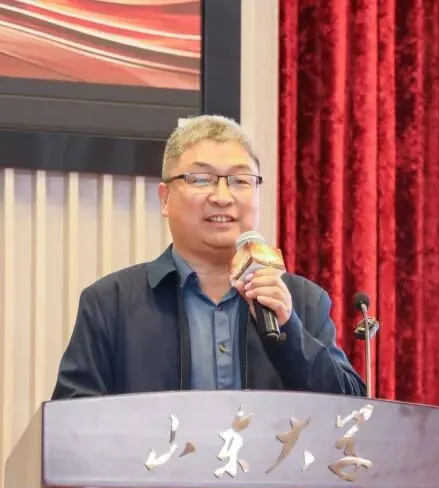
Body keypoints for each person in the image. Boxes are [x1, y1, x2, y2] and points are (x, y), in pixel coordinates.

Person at [50, 115, 365, 399]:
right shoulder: (111, 304)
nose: (222, 197)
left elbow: (352, 413)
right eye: (201, 179)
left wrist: (289, 331)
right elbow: (72, 423)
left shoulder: (302, 301)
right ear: (165, 199)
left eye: (240, 181)